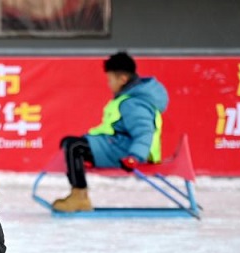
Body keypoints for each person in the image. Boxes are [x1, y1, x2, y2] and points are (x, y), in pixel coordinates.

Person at [52, 51, 169, 213]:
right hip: (115, 145)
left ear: (122, 79)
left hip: (123, 153)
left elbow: (144, 132)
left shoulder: (133, 103)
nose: (108, 84)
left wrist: (135, 157)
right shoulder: (129, 98)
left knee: (74, 147)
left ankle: (79, 197)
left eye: (110, 79)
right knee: (70, 143)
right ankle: (78, 194)